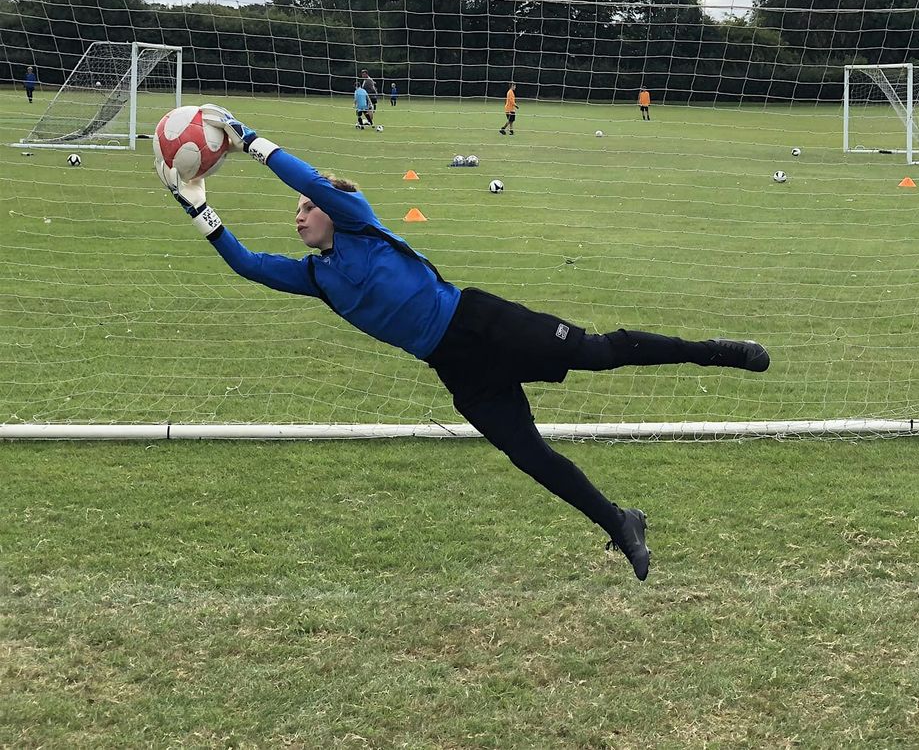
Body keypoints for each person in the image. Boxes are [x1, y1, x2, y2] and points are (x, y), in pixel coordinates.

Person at [155, 105, 771, 581]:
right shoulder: (315, 276)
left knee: (601, 353)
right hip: (455, 366)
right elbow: (247, 264)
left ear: (331, 207)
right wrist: (197, 205)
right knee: (531, 456)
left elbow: (305, 176)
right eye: (296, 210)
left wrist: (248, 138)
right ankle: (620, 523)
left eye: (306, 205)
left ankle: (715, 350)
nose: (298, 215)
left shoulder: (360, 222)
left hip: (481, 321)